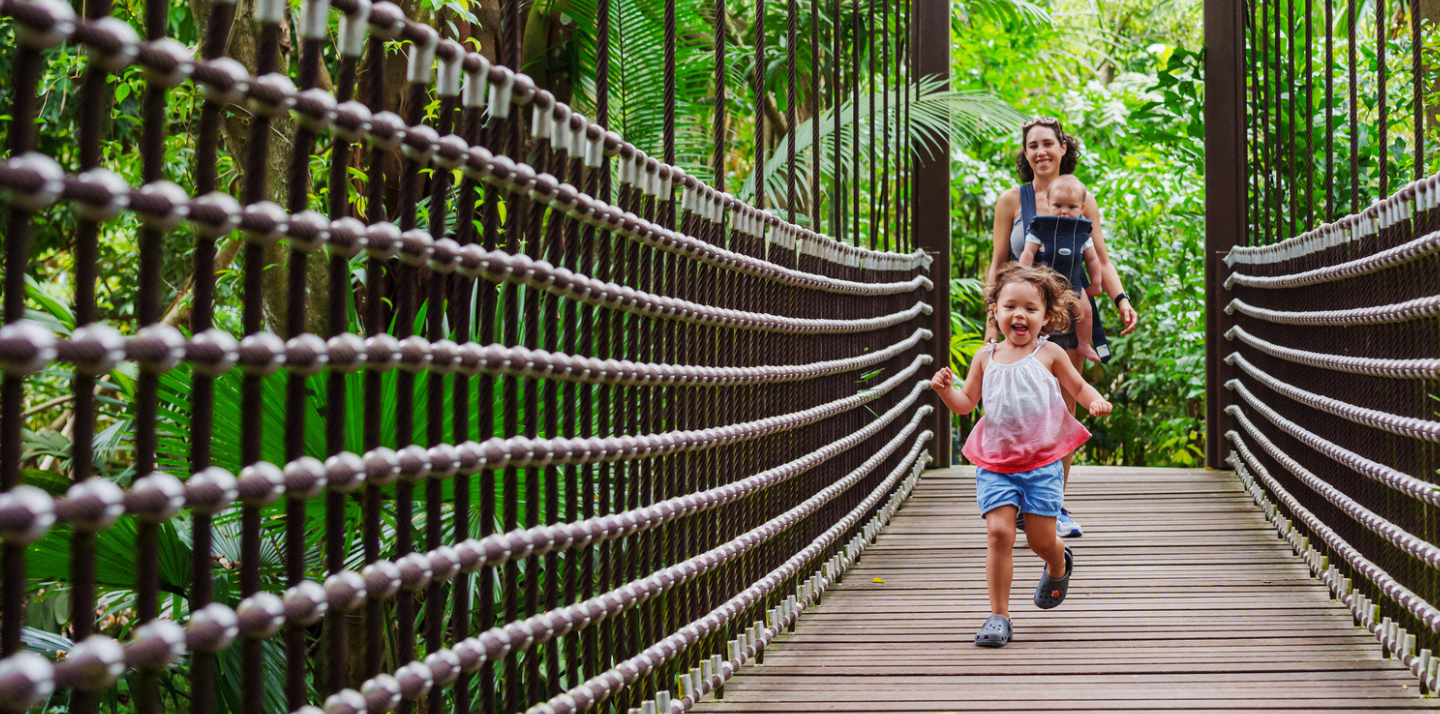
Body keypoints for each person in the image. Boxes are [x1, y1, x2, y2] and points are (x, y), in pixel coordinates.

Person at [930, 264, 1113, 648]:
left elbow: (1077, 387)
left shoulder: (1049, 353)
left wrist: (1095, 401)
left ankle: (1058, 562)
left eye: (1031, 309)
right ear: (994, 310)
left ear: (1047, 317)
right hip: (996, 462)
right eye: (1010, 306)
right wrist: (947, 392)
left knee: (1041, 542)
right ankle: (999, 616)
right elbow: (966, 405)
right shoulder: (985, 357)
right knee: (998, 533)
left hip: (1042, 463)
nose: (1019, 315)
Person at [989, 116, 1139, 538]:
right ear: (1026, 153)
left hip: (1070, 315)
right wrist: (990, 318)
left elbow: (1100, 260)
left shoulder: (1080, 197)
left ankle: (1052, 505)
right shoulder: (1011, 201)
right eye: (1032, 145)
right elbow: (1000, 263)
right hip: (1022, 320)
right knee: (1019, 408)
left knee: (1063, 407)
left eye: (1048, 144)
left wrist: (1120, 299)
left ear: (1062, 149)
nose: (1040, 151)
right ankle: (1019, 496)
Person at [1019, 175, 1106, 364]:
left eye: (1072, 207)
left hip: (1073, 285)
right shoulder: (1041, 228)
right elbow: (1027, 254)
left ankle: (1083, 344)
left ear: (1082, 208)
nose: (1064, 212)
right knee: (1038, 314)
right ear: (1048, 203)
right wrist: (1022, 278)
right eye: (1058, 206)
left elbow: (1092, 259)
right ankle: (1031, 342)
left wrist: (1096, 283)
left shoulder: (1082, 232)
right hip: (1044, 286)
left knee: (1086, 312)